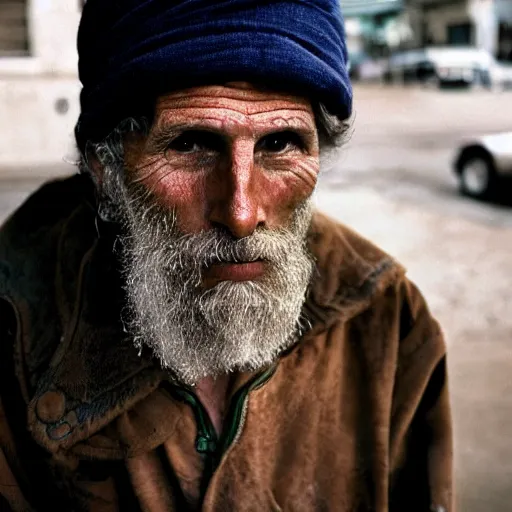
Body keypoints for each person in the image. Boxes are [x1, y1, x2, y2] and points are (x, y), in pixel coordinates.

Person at [0, 1, 453, 510]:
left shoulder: (388, 321)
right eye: (192, 145)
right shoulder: (14, 330)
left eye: (280, 143)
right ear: (105, 168)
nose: (241, 213)